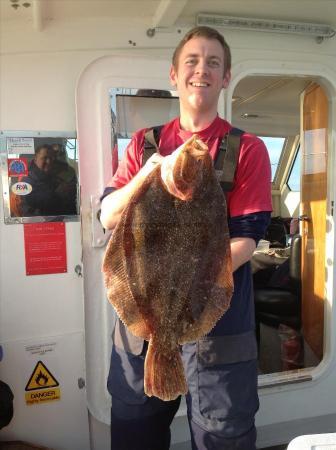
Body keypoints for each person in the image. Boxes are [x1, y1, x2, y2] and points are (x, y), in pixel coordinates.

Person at [100, 26, 272, 450]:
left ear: (226, 77)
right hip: (142, 328)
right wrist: (148, 173)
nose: (202, 70)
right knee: (134, 433)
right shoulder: (144, 145)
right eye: (192, 61)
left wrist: (186, 280)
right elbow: (108, 217)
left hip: (217, 323)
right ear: (174, 75)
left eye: (214, 63)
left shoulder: (246, 149)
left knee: (222, 436)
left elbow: (247, 240)